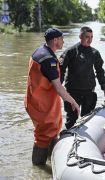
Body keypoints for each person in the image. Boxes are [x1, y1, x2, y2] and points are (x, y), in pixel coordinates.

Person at [24, 28, 80, 165]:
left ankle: (50, 162)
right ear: (55, 40)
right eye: (61, 38)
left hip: (35, 101)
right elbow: (59, 88)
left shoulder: (40, 52)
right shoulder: (49, 59)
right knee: (44, 136)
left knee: (51, 131)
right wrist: (73, 102)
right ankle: (38, 168)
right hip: (42, 105)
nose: (63, 41)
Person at [60, 26, 105, 129]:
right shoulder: (71, 52)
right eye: (87, 37)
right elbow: (61, 70)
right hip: (72, 93)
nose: (89, 40)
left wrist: (104, 86)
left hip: (89, 92)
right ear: (80, 36)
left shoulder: (95, 53)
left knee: (87, 120)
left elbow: (99, 71)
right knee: (71, 120)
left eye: (91, 37)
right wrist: (58, 87)